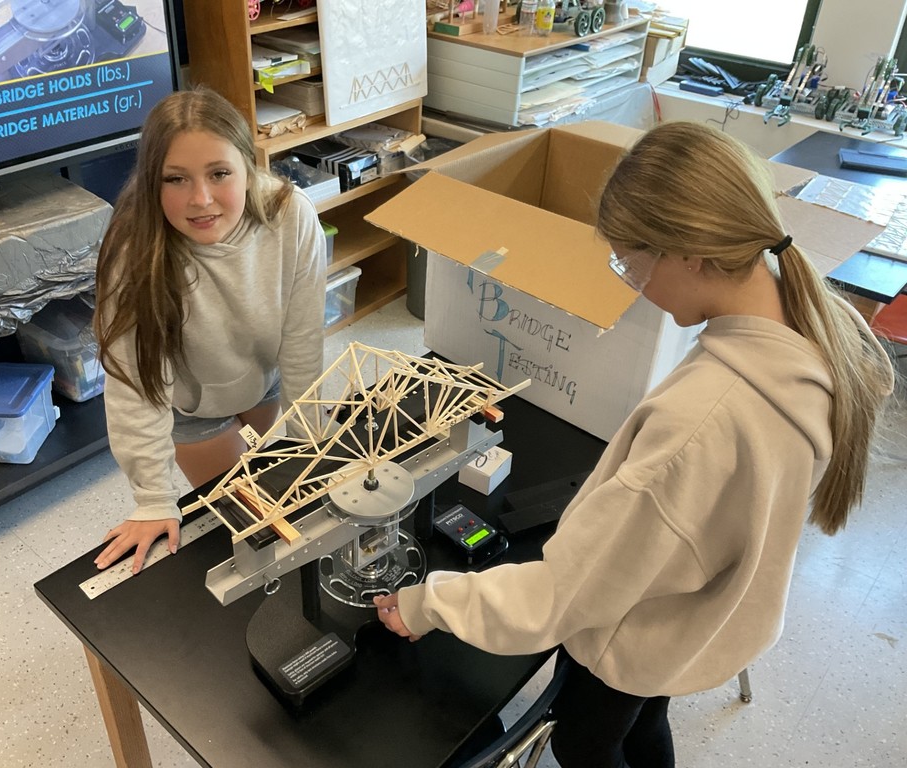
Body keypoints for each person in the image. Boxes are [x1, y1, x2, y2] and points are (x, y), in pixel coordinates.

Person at [374, 121, 895, 767]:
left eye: (632, 261)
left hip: (641, 633)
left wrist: (430, 603)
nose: (631, 283)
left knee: (586, 742)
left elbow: (561, 597)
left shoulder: (703, 423)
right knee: (644, 727)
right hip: (696, 616)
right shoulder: (813, 319)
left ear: (691, 253)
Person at [92, 86, 327, 575]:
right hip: (192, 404)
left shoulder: (291, 214)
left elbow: (303, 342)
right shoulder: (134, 247)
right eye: (175, 179)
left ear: (248, 166)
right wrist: (154, 497)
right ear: (152, 182)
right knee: (253, 515)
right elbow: (135, 382)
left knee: (299, 486)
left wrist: (313, 444)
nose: (200, 200)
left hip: (263, 375)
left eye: (219, 174)